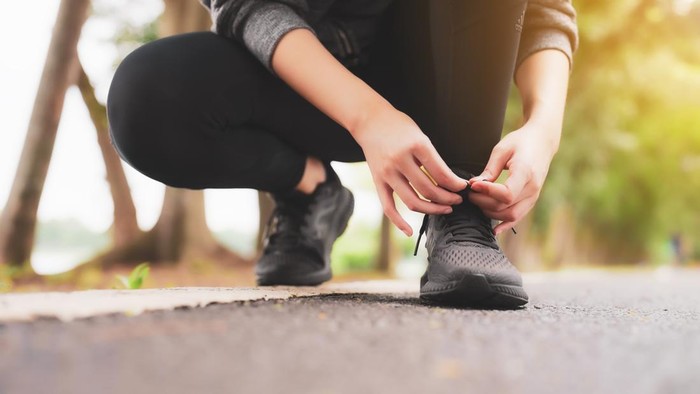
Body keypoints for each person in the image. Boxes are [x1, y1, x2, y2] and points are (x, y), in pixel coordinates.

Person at [107, 0, 578, 308]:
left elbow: (546, 12)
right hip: (297, 68)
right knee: (146, 100)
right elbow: (245, 5)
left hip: (441, 73)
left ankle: (460, 206)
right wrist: (368, 117)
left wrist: (543, 131)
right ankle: (309, 190)